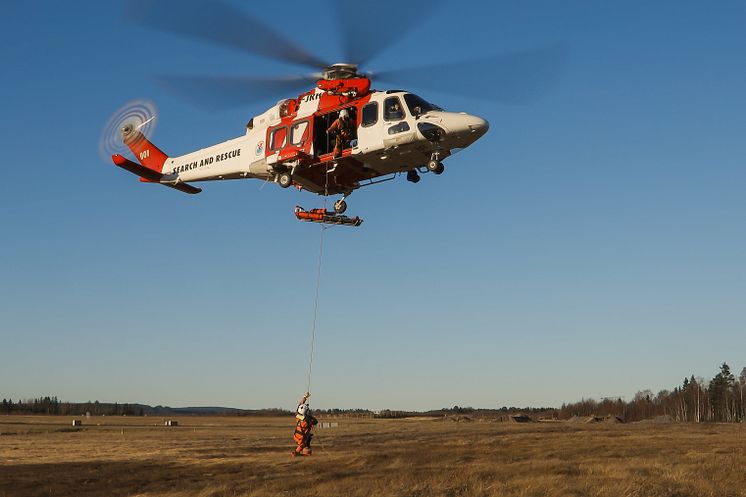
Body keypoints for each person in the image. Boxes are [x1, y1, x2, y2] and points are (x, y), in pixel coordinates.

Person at [292, 392, 318, 456]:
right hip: (301, 440)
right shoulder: (307, 421)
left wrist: (305, 397)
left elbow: (300, 405)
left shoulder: (298, 415)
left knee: (308, 437)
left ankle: (302, 453)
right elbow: (315, 421)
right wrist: (311, 416)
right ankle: (297, 453)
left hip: (296, 436)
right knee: (305, 448)